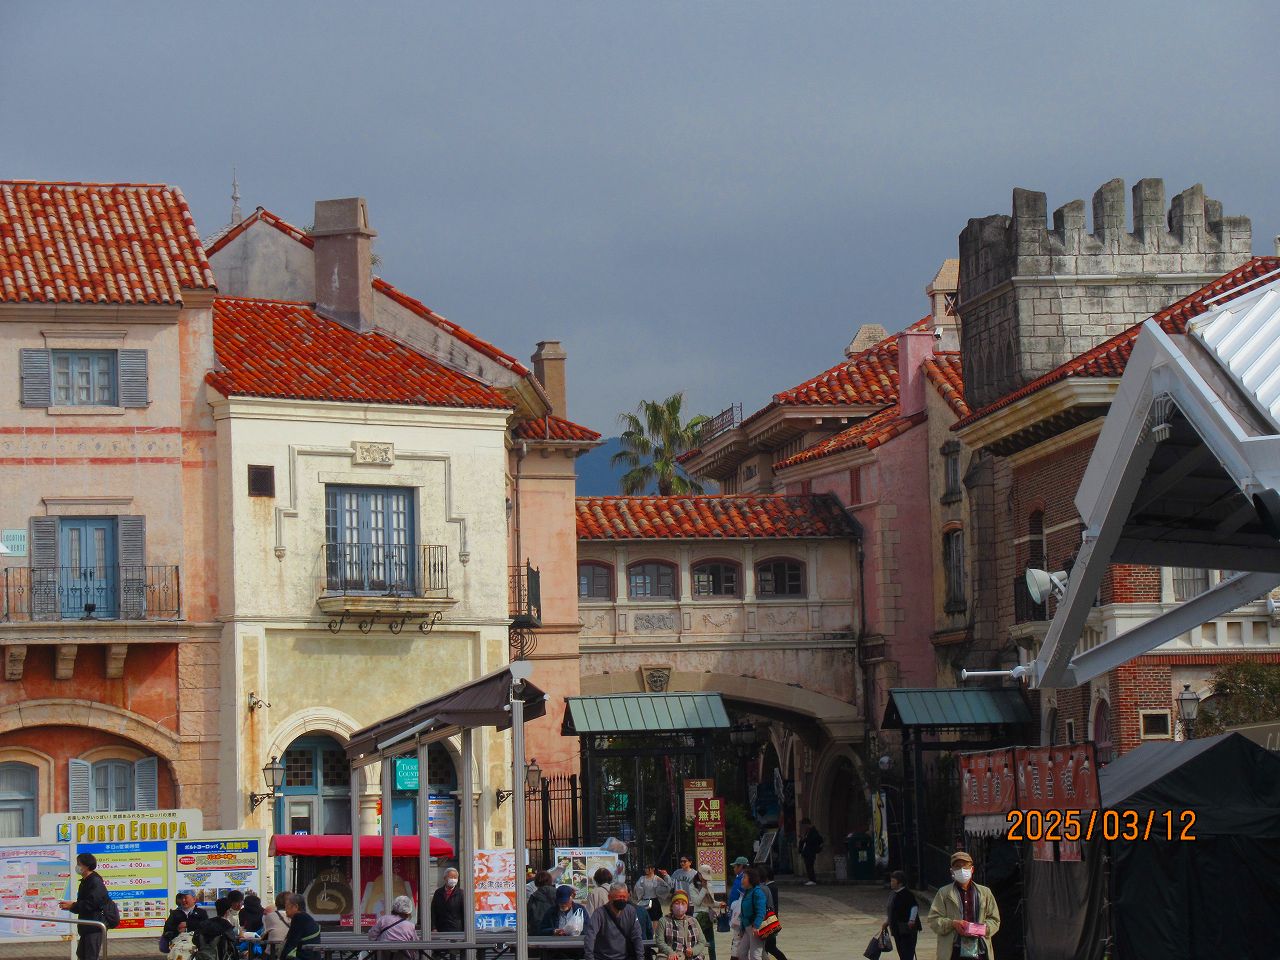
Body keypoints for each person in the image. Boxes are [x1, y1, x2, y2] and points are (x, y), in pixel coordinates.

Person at [926, 851, 1000, 960]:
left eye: (965, 866)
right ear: (952, 871)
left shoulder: (985, 893)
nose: (961, 870)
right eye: (957, 866)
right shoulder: (944, 893)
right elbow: (933, 920)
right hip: (953, 952)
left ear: (972, 869)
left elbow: (995, 920)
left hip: (979, 951)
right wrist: (953, 924)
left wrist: (979, 929)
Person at [60, 853, 112, 960]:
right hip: (87, 926)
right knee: (82, 955)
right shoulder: (86, 881)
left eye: (79, 864)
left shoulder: (95, 881)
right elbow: (86, 902)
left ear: (86, 866)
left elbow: (92, 904)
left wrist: (73, 906)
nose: (77, 867)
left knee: (90, 956)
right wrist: (72, 906)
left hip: (94, 926)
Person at [582, 880, 644, 960]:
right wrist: (590, 957)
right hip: (602, 957)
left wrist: (640, 957)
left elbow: (637, 936)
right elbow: (590, 936)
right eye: (619, 897)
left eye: (624, 897)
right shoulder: (599, 913)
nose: (622, 900)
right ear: (609, 897)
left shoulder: (630, 911)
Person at [656, 891, 705, 960]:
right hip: (671, 956)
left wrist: (693, 951)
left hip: (691, 956)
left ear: (687, 907)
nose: (680, 906)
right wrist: (670, 952)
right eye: (677, 903)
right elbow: (660, 941)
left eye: (683, 903)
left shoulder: (693, 921)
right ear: (672, 906)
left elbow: (702, 941)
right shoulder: (664, 921)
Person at [883, 870, 919, 960]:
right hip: (896, 928)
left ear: (900, 883)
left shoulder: (907, 894)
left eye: (893, 881)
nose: (891, 883)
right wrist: (887, 922)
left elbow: (914, 907)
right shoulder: (893, 894)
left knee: (907, 953)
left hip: (907, 928)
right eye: (891, 881)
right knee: (901, 953)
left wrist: (911, 920)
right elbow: (892, 910)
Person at [369, 895, 416, 960]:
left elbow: (372, 935)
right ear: (408, 912)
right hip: (402, 956)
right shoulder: (410, 926)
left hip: (382, 955)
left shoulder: (383, 919)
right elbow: (414, 943)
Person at [734, 867, 767, 960]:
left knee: (755, 955)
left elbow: (761, 911)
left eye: (744, 877)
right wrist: (742, 929)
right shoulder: (747, 892)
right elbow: (744, 913)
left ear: (751, 879)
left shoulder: (757, 892)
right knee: (741, 953)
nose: (742, 880)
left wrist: (756, 926)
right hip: (747, 928)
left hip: (755, 928)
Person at [687, 867, 720, 960]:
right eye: (704, 876)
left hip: (708, 917)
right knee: (696, 942)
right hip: (698, 917)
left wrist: (719, 904)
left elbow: (711, 902)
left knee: (711, 944)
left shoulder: (709, 884)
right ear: (699, 874)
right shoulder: (692, 886)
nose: (706, 879)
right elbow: (697, 902)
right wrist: (704, 888)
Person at [757, 866, 787, 960]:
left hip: (768, 921)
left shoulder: (768, 888)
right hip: (770, 920)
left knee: (770, 947)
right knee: (768, 948)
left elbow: (769, 906)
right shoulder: (769, 887)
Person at [279, 894, 320, 960]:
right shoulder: (306, 918)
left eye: (286, 906)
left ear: (296, 906)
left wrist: (281, 958)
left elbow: (291, 943)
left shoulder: (298, 917)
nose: (285, 909)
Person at [430, 868, 464, 933]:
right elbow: (433, 911)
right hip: (440, 929)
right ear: (445, 878)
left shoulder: (461, 893)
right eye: (451, 877)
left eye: (455, 877)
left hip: (456, 930)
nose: (453, 879)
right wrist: (433, 927)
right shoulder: (438, 892)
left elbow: (464, 913)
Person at [528, 871, 559, 936]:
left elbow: (528, 915)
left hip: (537, 931)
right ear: (550, 881)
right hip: (556, 930)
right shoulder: (558, 893)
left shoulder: (534, 896)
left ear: (536, 882)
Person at [797, 820, 823, 886]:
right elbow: (802, 841)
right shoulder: (806, 832)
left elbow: (815, 840)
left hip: (811, 852)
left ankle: (812, 880)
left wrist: (805, 839)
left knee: (810, 866)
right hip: (806, 852)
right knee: (808, 866)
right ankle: (811, 879)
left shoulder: (813, 832)